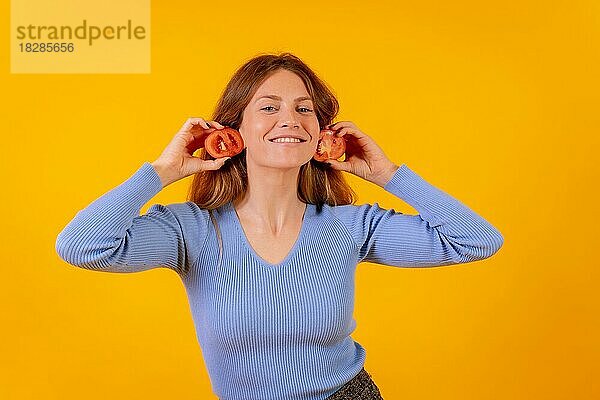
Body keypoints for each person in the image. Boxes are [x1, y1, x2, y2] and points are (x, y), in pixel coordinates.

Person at [55, 52, 504, 400]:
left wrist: (389, 175)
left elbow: (477, 241)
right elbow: (81, 246)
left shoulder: (348, 227)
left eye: (304, 109)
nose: (290, 119)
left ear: (321, 134)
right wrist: (164, 170)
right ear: (236, 128)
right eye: (268, 107)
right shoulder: (189, 231)